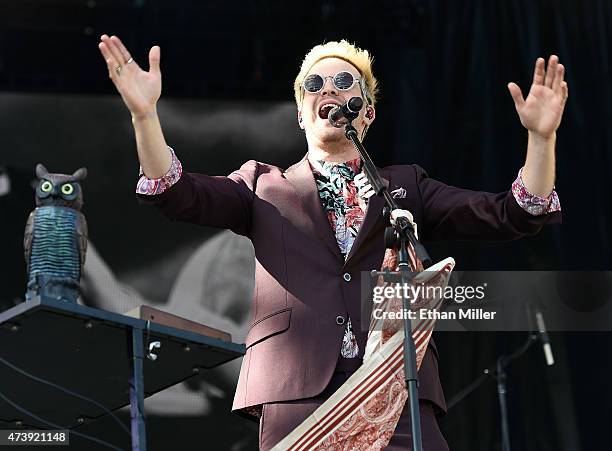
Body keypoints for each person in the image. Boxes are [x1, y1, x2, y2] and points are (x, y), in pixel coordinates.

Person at [98, 35, 566, 450]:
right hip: (295, 392)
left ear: (368, 112)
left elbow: (511, 213)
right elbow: (177, 192)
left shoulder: (405, 186)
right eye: (314, 87)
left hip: (395, 387)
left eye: (344, 83)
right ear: (301, 114)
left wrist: (540, 140)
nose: (329, 92)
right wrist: (145, 116)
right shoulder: (264, 185)